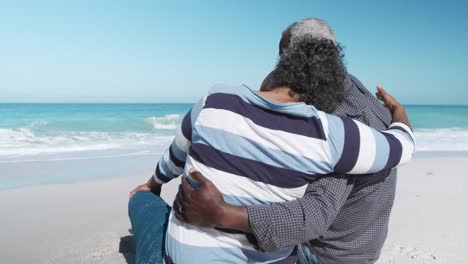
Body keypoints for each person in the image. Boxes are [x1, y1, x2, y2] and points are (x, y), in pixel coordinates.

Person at [129, 34, 415, 263]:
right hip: (347, 250)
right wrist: (399, 114)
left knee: (143, 202)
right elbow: (402, 146)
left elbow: (175, 155)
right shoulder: (336, 132)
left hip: (321, 254)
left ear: (285, 63)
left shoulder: (214, 99)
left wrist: (158, 186)